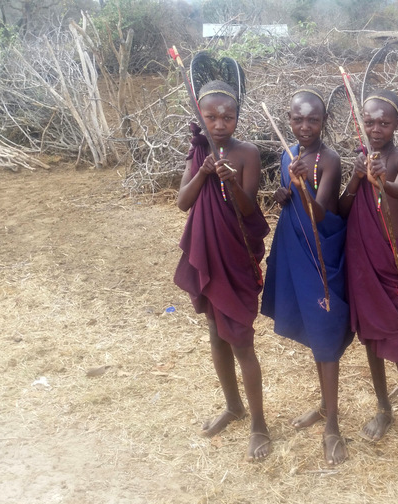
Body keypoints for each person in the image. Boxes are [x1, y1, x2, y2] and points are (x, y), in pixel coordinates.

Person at [174, 77, 271, 461]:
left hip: (235, 256)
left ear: (236, 118)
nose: (218, 124)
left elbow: (249, 211)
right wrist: (203, 172)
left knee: (242, 342)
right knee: (216, 334)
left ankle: (259, 424)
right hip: (207, 255)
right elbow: (183, 202)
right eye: (211, 117)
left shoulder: (248, 153)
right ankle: (233, 406)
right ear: (202, 115)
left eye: (227, 117)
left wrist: (230, 182)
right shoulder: (198, 152)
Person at [261, 87, 351, 465]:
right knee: (315, 331)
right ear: (289, 119)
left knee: (327, 331)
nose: (304, 126)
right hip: (294, 247)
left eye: (313, 119)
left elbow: (319, 213)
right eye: (297, 119)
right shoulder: (288, 154)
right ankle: (324, 407)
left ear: (324, 121)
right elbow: (294, 204)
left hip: (321, 253)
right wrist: (285, 194)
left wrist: (301, 186)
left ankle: (333, 426)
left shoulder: (328, 160)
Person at [339, 89, 398, 453]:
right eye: (370, 121)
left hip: (393, 260)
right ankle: (383, 407)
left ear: (396, 124)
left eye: (385, 122)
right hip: (363, 258)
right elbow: (344, 208)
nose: (376, 128)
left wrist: (380, 179)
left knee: (397, 340)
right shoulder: (362, 159)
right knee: (371, 339)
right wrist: (358, 178)